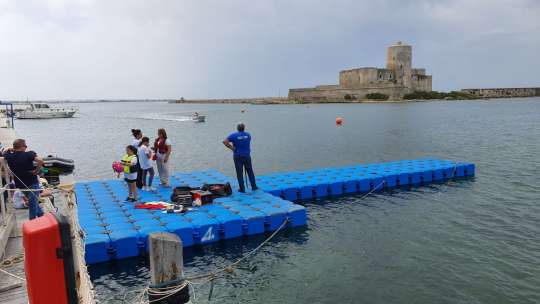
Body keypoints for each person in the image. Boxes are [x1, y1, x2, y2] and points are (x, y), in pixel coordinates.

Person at [4, 139, 44, 219]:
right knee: (32, 205)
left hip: (20, 184)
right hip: (32, 183)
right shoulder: (28, 154)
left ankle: (42, 216)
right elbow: (40, 160)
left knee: (34, 202)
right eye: (25, 145)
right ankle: (32, 223)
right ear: (22, 147)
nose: (26, 147)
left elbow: (5, 151)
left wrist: (12, 149)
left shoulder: (9, 156)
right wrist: (36, 171)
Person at [223, 123, 258, 193]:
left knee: (239, 172)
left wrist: (232, 148)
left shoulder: (233, 135)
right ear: (244, 128)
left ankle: (242, 189)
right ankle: (254, 187)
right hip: (246, 155)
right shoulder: (248, 135)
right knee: (250, 171)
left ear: (237, 128)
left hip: (238, 156)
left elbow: (224, 141)